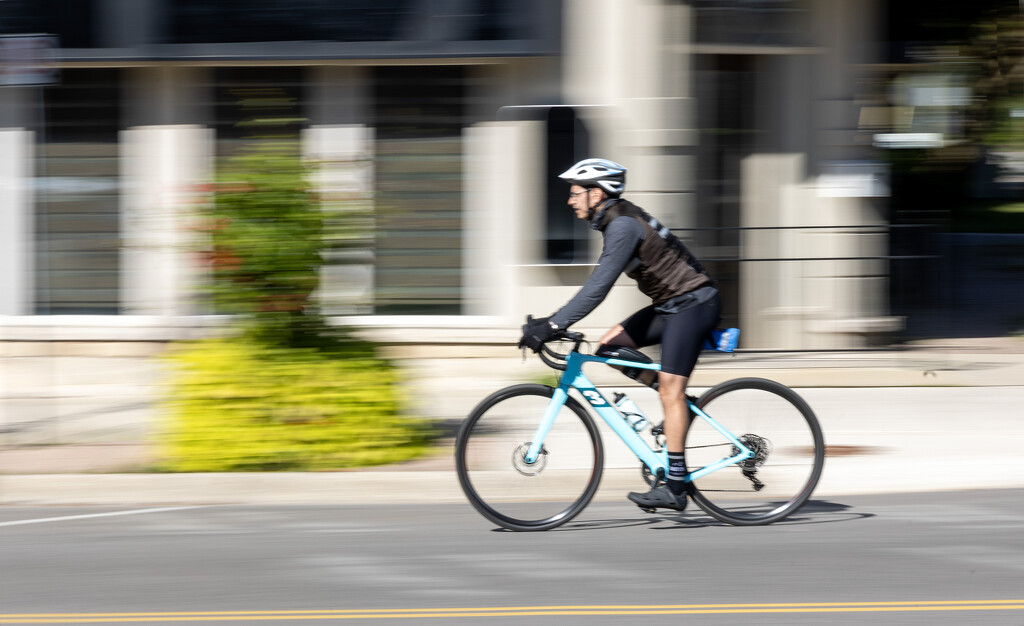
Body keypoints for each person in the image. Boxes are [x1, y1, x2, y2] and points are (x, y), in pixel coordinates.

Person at [519, 158, 721, 512]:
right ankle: (679, 411)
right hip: (670, 304)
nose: (570, 200)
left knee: (671, 390)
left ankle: (675, 486)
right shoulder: (615, 220)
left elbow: (597, 288)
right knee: (610, 346)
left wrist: (553, 325)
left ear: (597, 193)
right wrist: (554, 322)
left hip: (693, 304)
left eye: (575, 193)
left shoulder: (623, 226)